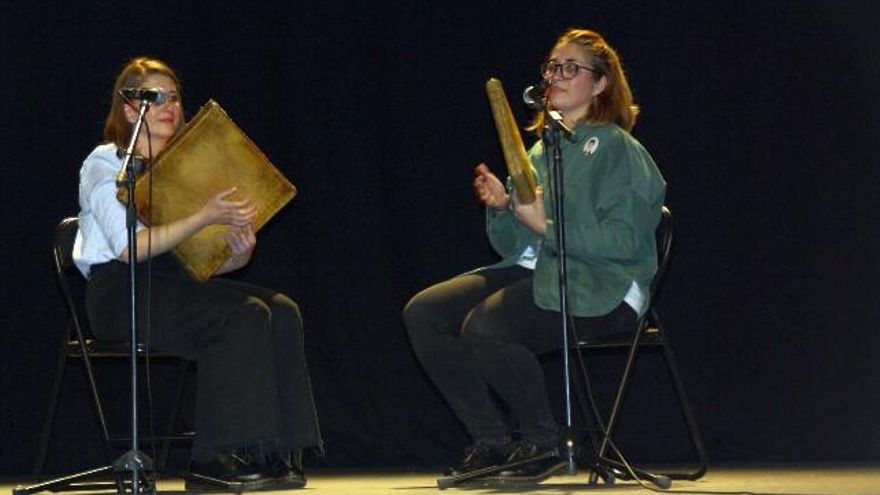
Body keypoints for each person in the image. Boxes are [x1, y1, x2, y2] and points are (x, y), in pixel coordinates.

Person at [403, 28, 666, 479]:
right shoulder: (543, 149)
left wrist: (545, 225)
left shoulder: (620, 149)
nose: (555, 76)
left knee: (485, 326)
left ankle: (542, 442)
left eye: (570, 68)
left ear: (600, 84)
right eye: (551, 66)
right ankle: (492, 441)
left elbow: (623, 243)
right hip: (541, 272)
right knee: (425, 313)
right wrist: (505, 210)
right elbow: (515, 246)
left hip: (604, 285)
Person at [72, 56, 322, 491]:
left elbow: (204, 263)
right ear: (130, 109)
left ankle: (275, 449)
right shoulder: (107, 164)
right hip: (120, 294)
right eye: (155, 98)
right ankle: (216, 457)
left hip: (173, 287)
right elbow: (131, 249)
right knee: (241, 314)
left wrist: (238, 251)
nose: (170, 106)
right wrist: (204, 215)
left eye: (174, 97)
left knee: (280, 309)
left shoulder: (184, 167)